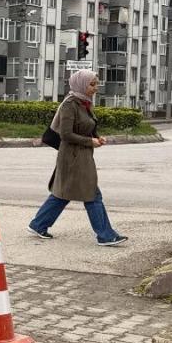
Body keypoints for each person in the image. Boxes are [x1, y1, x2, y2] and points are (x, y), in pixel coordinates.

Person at [27, 69, 128, 247]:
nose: (96, 87)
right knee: (92, 194)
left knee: (64, 192)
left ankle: (38, 224)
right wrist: (90, 141)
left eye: (96, 83)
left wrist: (97, 137)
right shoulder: (70, 104)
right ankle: (105, 235)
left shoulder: (84, 103)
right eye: (92, 84)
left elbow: (86, 126)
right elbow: (66, 134)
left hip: (81, 154)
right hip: (72, 156)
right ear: (81, 84)